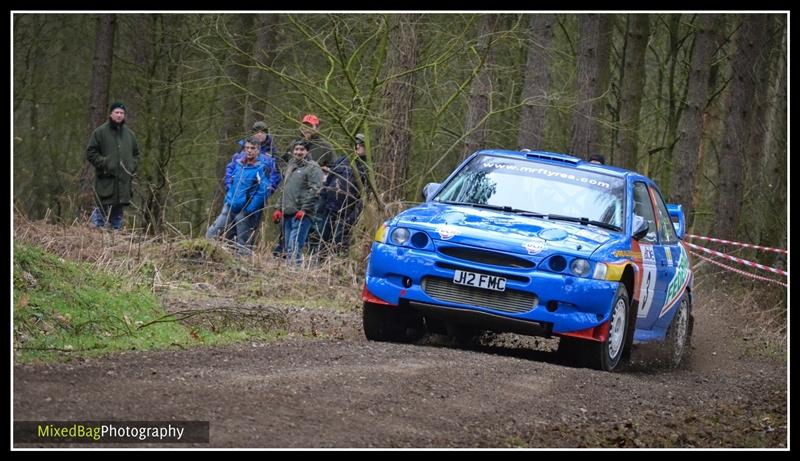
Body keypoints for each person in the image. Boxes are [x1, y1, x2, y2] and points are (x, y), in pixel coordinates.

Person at [207, 137, 270, 254]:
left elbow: (263, 191)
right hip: (230, 206)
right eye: (247, 148)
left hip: (245, 211)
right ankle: (206, 256)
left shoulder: (261, 168)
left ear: (258, 150)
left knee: (242, 244)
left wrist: (250, 209)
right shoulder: (239, 164)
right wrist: (228, 198)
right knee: (211, 233)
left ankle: (245, 269)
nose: (249, 151)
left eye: (252, 148)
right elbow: (232, 182)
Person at [85, 101, 140, 230]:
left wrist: (131, 166)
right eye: (116, 112)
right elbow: (91, 152)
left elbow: (136, 154)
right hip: (105, 181)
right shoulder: (100, 132)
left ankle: (115, 244)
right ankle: (93, 241)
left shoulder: (130, 135)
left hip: (123, 183)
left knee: (117, 217)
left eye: (122, 113)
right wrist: (105, 163)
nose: (119, 115)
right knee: (100, 213)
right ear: (111, 114)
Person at [272, 141, 323, 264]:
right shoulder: (291, 165)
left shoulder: (313, 168)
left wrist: (304, 209)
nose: (298, 152)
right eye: (296, 149)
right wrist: (279, 207)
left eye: (302, 149)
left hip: (301, 215)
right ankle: (289, 275)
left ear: (307, 152)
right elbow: (285, 188)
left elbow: (315, 190)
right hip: (287, 213)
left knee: (294, 248)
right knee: (287, 248)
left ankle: (295, 274)